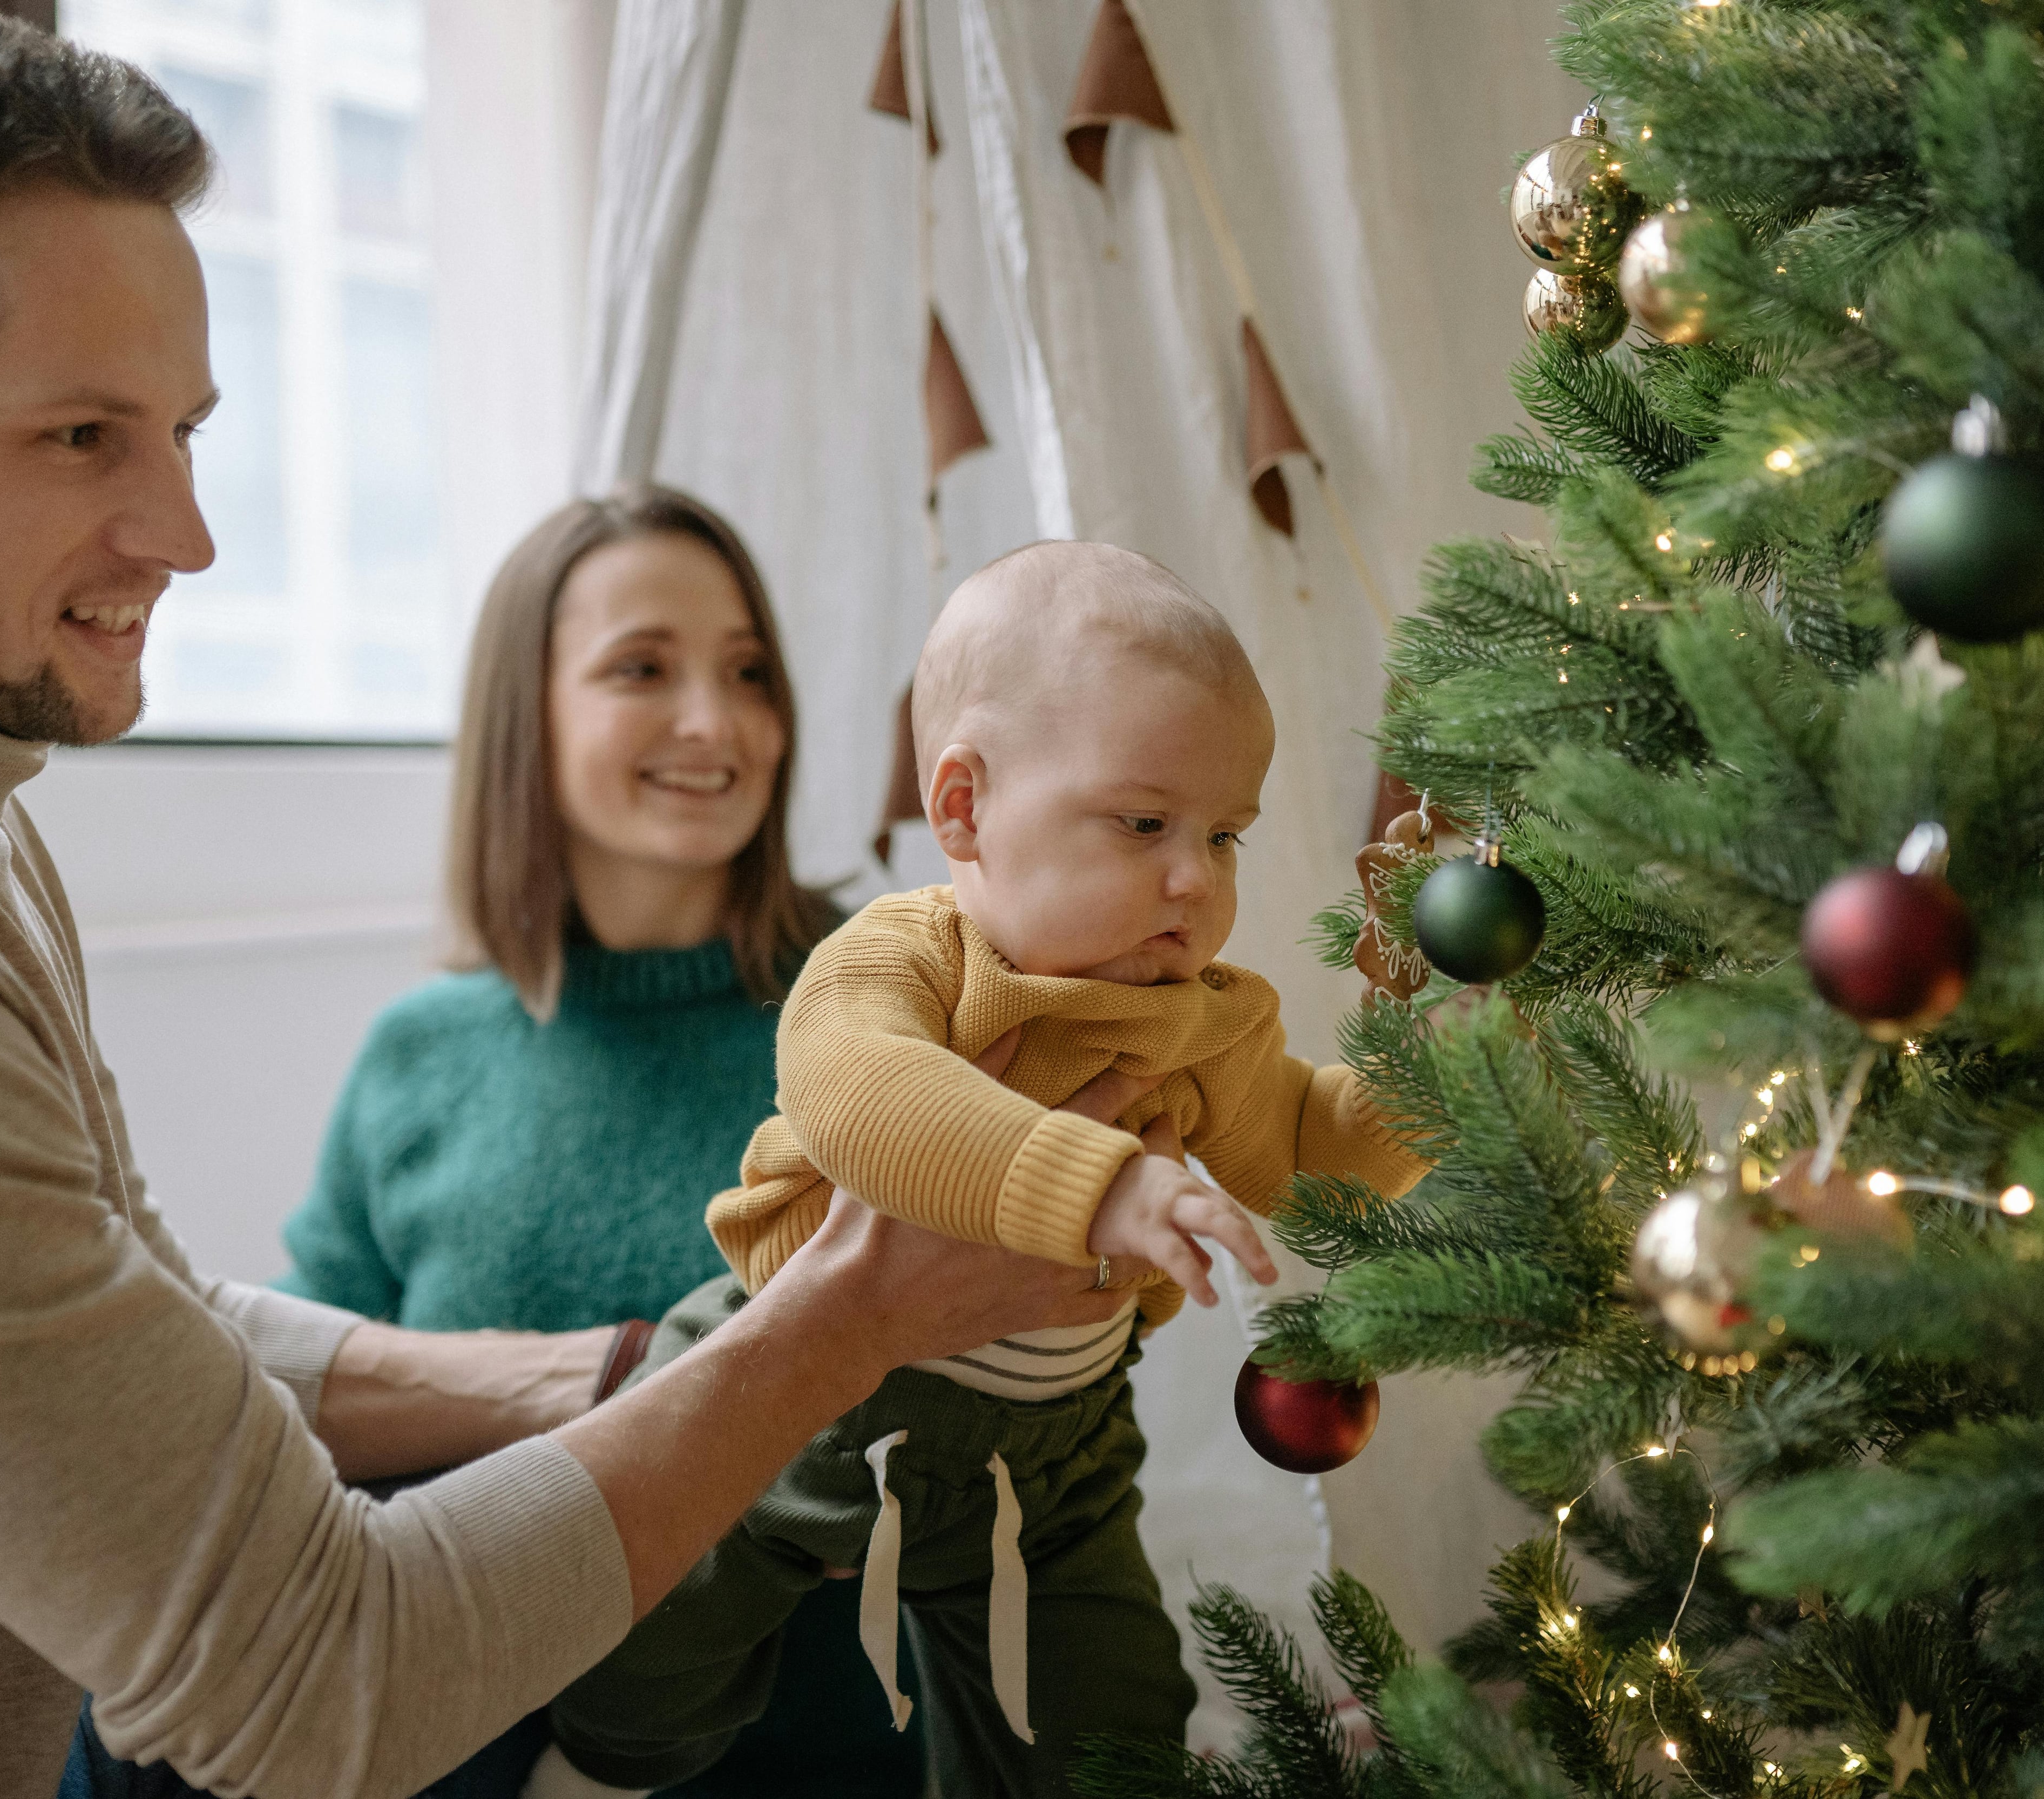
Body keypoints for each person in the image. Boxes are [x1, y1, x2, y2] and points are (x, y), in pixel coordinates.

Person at [0, 16, 1126, 1797]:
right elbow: (313, 1682)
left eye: (184, 429)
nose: (186, 532)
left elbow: (164, 1309)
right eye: (78, 435)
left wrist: (598, 1371)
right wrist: (839, 1318)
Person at [542, 544, 1433, 1798]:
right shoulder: (905, 958)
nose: (1195, 876)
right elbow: (867, 1102)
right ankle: (588, 1774)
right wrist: (1104, 1185)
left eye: (1224, 833)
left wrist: (1449, 1068)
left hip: (1053, 1456)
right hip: (792, 1394)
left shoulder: (1203, 1016)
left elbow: (1303, 1154)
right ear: (962, 808)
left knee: (1107, 1719)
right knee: (643, 1652)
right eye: (1143, 821)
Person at [70, 487, 923, 1797]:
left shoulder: (881, 1010)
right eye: (643, 667)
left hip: (783, 1737)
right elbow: (307, 1425)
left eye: (748, 670)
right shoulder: (420, 1053)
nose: (716, 721)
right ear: (529, 711)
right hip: (451, 1728)